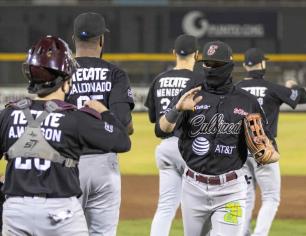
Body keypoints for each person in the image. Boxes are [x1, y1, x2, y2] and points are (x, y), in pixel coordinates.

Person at [0, 35, 131, 236]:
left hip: (15, 210)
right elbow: (122, 141)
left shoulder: (8, 115)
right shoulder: (75, 119)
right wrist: (104, 113)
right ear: (65, 81)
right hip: (61, 214)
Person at [159, 41, 279, 236]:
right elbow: (162, 130)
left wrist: (270, 154)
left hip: (231, 190)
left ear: (229, 65)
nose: (211, 69)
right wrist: (177, 110)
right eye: (207, 64)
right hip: (192, 187)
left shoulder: (246, 101)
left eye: (217, 65)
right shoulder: (191, 94)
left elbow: (270, 147)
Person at [67, 12, 135, 236]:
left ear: (73, 38)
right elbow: (124, 126)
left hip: (66, 163)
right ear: (102, 40)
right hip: (103, 164)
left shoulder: (61, 73)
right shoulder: (115, 73)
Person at [236, 48, 306, 236]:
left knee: (245, 196)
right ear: (263, 64)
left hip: (239, 149)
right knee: (271, 198)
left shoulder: (234, 89)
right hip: (263, 147)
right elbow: (303, 97)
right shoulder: (271, 88)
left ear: (245, 66)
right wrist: (294, 86)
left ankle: (241, 233)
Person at [145, 34, 202, 236]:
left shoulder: (159, 79)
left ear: (174, 53)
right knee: (196, 208)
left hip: (166, 148)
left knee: (166, 206)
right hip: (191, 149)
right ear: (197, 54)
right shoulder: (199, 80)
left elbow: (154, 119)